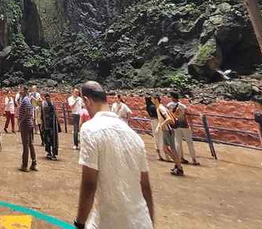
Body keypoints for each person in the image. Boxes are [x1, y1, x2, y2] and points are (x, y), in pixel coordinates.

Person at [75, 81, 154, 229]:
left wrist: (79, 222)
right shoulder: (134, 136)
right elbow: (145, 187)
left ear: (87, 100)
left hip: (109, 221)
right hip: (142, 221)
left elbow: (89, 183)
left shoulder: (90, 129)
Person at [152, 94, 183, 176]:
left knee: (172, 149)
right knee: (165, 148)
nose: (151, 101)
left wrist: (162, 125)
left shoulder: (161, 108)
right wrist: (159, 126)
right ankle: (177, 164)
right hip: (165, 130)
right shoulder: (158, 108)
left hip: (168, 130)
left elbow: (168, 119)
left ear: (156, 99)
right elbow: (161, 119)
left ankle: (179, 167)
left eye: (152, 99)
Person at [167, 92, 199, 165]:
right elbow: (188, 116)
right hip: (184, 125)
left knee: (178, 142)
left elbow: (168, 115)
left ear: (172, 97)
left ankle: (180, 158)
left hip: (175, 126)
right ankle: (193, 159)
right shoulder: (183, 106)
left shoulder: (169, 106)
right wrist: (192, 126)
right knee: (189, 142)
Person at [17, 85, 38, 172]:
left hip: (25, 124)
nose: (19, 91)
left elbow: (28, 112)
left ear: (24, 91)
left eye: (20, 90)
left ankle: (24, 165)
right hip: (29, 124)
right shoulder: (27, 100)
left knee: (25, 145)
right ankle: (34, 163)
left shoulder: (25, 100)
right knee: (30, 144)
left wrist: (21, 121)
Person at [41, 93, 60, 160]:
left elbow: (55, 114)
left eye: (48, 97)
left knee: (54, 140)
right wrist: (42, 125)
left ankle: (54, 154)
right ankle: (49, 153)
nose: (47, 98)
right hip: (46, 125)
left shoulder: (52, 104)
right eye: (46, 97)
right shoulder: (43, 104)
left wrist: (57, 123)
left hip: (53, 125)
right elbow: (41, 115)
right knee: (47, 139)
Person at [145, 96, 164, 161]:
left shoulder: (147, 107)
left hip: (152, 121)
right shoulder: (153, 107)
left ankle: (158, 153)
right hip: (157, 121)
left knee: (155, 136)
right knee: (160, 136)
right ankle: (163, 153)